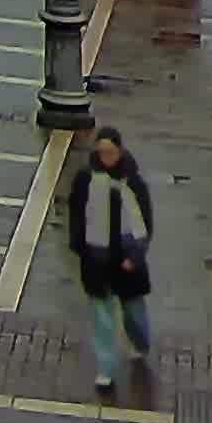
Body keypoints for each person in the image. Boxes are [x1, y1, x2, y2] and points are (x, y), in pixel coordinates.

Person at [65, 127, 156, 394]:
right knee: (102, 319)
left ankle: (141, 344)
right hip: (95, 259)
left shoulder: (133, 183)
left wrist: (135, 256)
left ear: (120, 151)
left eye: (110, 152)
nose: (106, 157)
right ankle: (106, 369)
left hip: (125, 260)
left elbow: (144, 224)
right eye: (101, 152)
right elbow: (76, 216)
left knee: (134, 314)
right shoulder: (85, 180)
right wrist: (80, 248)